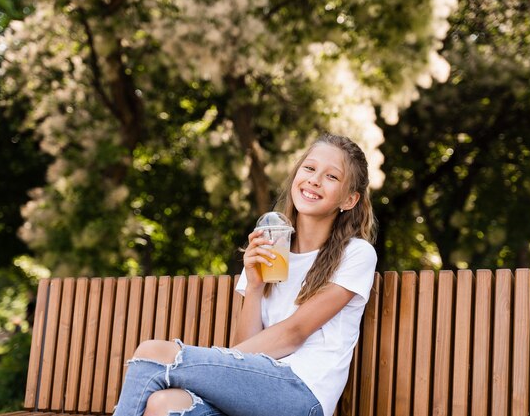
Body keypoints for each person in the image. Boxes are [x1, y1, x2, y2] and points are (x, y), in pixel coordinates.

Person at [112, 132, 378, 416]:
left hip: (301, 395)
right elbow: (245, 345)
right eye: (310, 168)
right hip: (255, 393)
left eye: (331, 177)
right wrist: (253, 286)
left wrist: (217, 362)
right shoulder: (272, 248)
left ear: (349, 200)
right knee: (164, 405)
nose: (314, 179)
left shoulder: (356, 254)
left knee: (153, 354)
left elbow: (293, 333)